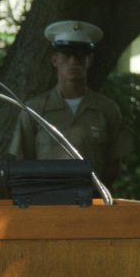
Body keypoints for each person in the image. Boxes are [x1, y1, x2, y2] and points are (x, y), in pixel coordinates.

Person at [8, 20, 131, 187]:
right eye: (66, 55)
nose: (73, 62)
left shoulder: (107, 110)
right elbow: (22, 161)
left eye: (80, 56)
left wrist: (96, 196)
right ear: (54, 60)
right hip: (46, 204)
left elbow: (114, 163)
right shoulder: (34, 110)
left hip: (92, 205)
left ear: (89, 60)